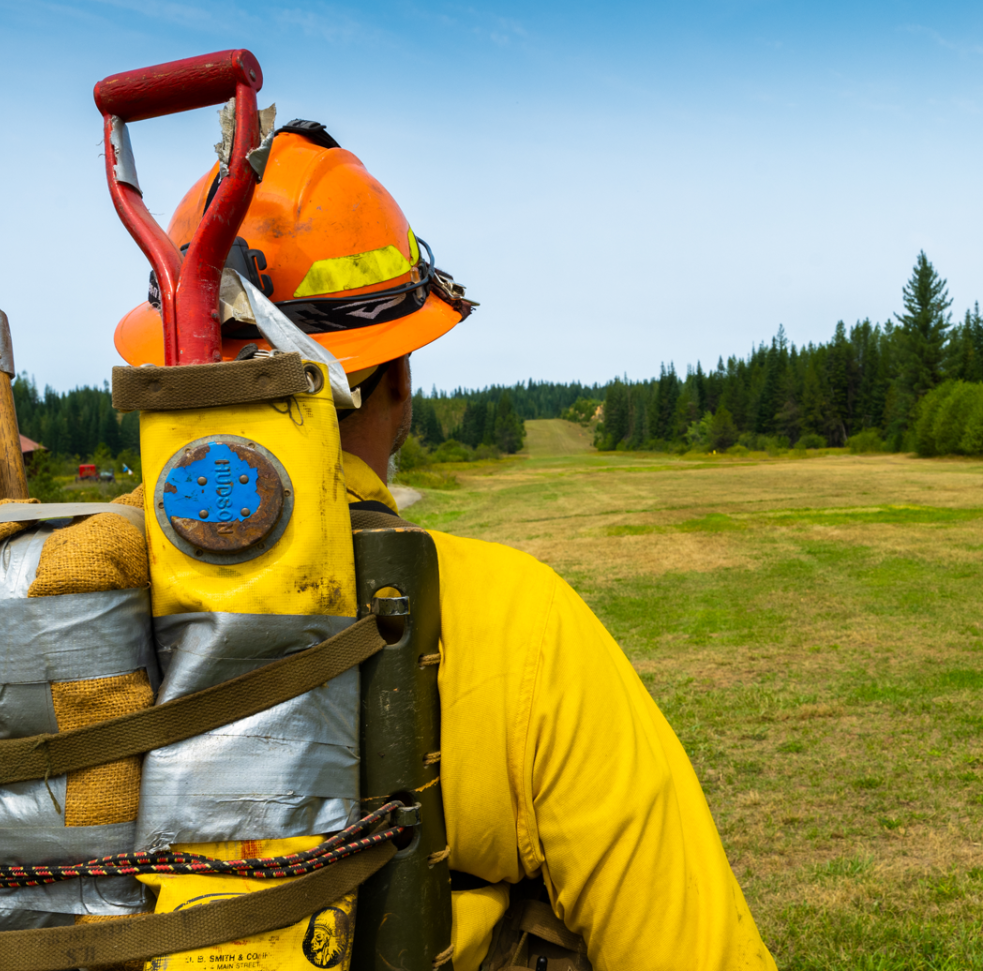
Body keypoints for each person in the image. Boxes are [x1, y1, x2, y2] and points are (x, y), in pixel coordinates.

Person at [115, 121, 777, 971]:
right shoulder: (519, 623)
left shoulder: (43, 605)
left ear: (166, 381)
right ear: (398, 380)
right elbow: (689, 950)